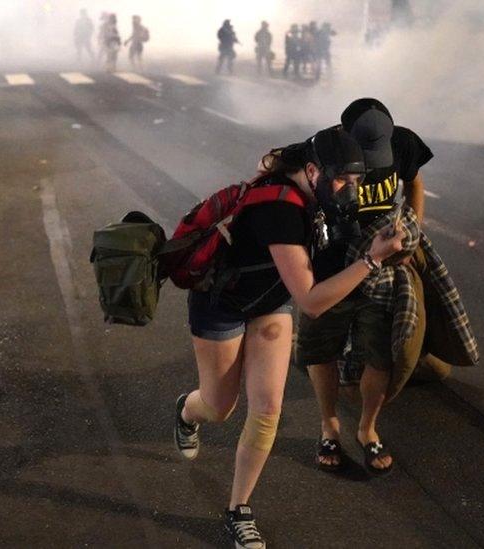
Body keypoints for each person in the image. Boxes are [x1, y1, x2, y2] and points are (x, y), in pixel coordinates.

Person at [173, 129, 406, 549]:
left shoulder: (314, 189)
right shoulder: (280, 209)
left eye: (356, 182)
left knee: (267, 409)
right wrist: (373, 259)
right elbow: (313, 301)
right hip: (220, 302)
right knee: (218, 406)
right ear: (314, 171)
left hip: (270, 302)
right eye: (343, 182)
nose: (350, 191)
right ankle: (188, 413)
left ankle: (238, 509)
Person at [298, 98, 433, 476]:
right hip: (332, 271)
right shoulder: (323, 149)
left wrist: (414, 233)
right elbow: (284, 172)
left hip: (382, 270)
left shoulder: (403, 144)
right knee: (321, 349)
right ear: (345, 135)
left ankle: (366, 427)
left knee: (382, 355)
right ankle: (329, 426)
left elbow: (415, 182)